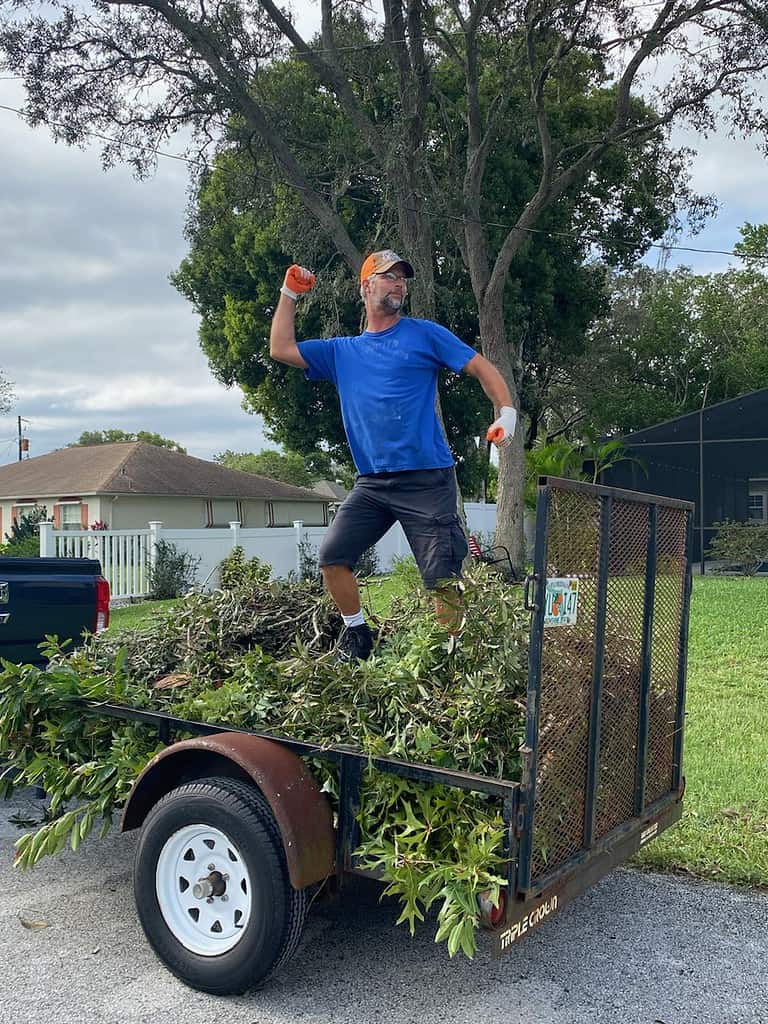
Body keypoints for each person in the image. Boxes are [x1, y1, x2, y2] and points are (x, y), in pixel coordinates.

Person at [269, 250, 517, 660]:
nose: (398, 283)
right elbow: (281, 347)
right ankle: (358, 636)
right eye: (388, 277)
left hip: (427, 480)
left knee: (442, 579)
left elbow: (483, 369)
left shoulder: (424, 334)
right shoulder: (341, 351)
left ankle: (448, 657)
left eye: (402, 277)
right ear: (366, 288)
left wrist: (506, 413)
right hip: (372, 483)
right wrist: (289, 292)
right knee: (333, 557)